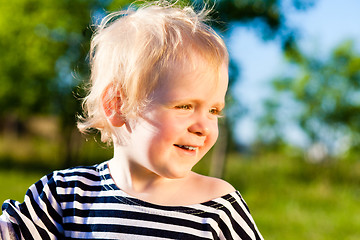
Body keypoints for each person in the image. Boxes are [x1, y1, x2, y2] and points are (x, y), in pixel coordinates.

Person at [0, 1, 263, 239]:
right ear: (118, 105)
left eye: (214, 111)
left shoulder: (217, 208)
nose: (203, 126)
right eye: (184, 106)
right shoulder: (65, 197)